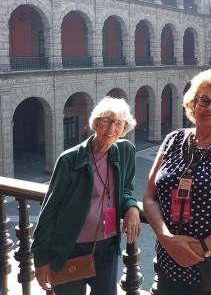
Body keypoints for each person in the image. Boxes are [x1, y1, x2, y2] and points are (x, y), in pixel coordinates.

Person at [143, 68, 211, 295]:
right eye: (203, 100)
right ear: (192, 104)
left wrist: (203, 248)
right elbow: (149, 197)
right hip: (170, 258)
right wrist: (166, 238)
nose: (210, 108)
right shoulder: (172, 140)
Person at [32, 96, 141, 295]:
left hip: (107, 245)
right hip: (71, 247)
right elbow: (49, 209)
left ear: (125, 127)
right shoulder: (70, 159)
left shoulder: (125, 151)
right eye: (106, 121)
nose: (111, 129)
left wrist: (132, 207)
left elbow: (126, 189)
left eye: (118, 123)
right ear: (96, 123)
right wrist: (40, 260)